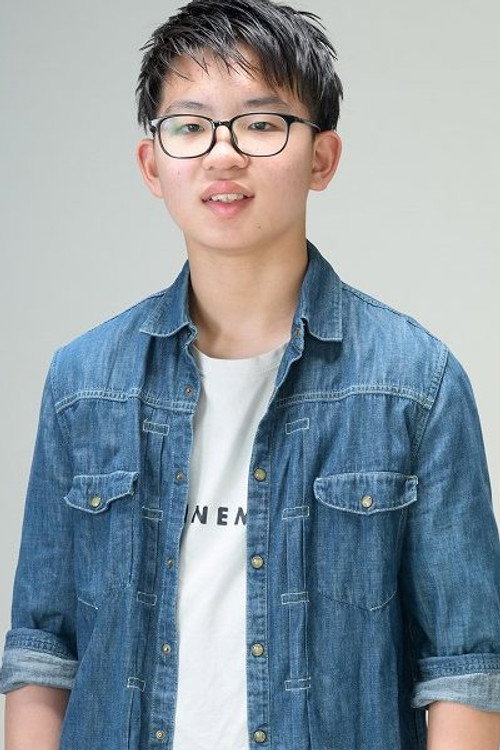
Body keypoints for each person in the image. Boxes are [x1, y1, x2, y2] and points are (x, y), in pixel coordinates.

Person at [1, 0, 500, 747]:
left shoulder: (415, 383)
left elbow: (465, 669)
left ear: (322, 158)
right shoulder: (83, 382)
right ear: (152, 164)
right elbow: (44, 651)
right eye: (190, 126)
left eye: (262, 124)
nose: (223, 154)